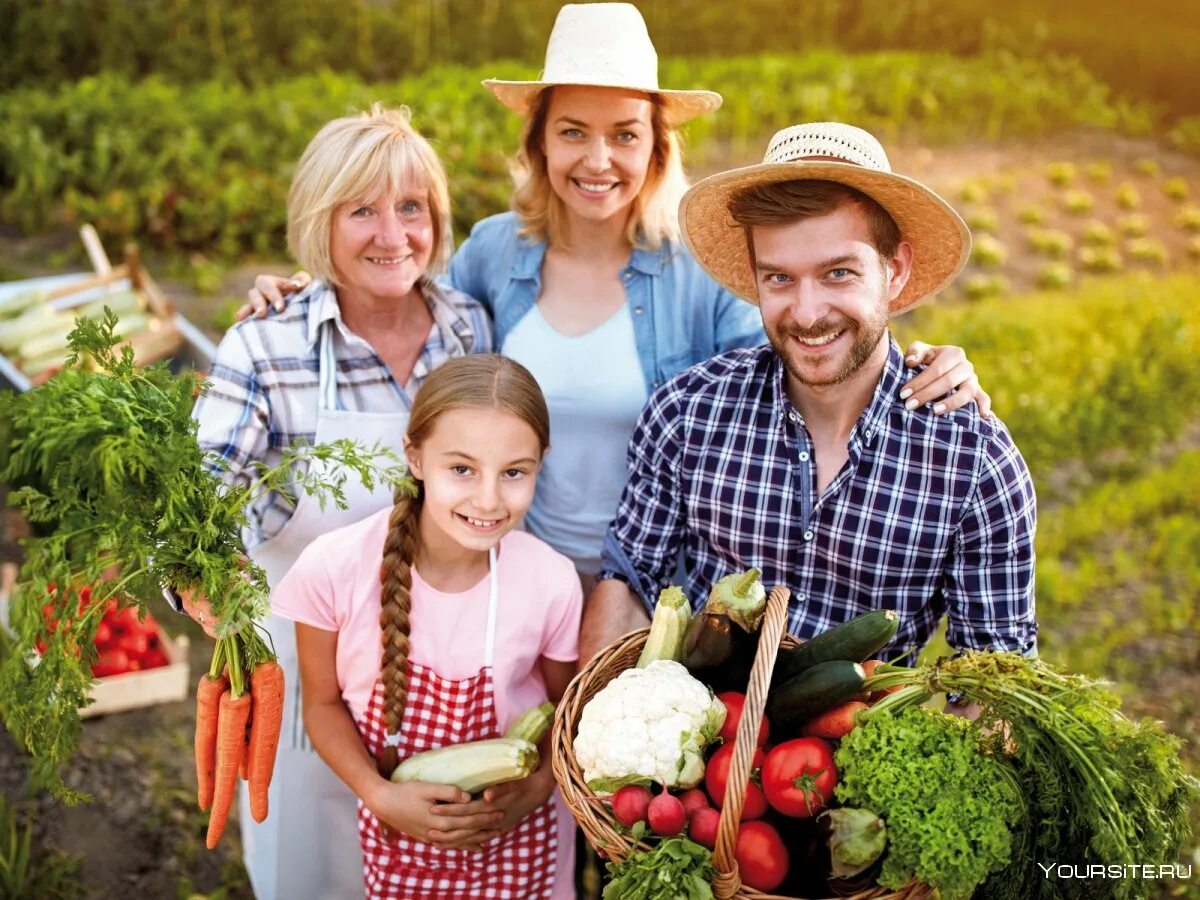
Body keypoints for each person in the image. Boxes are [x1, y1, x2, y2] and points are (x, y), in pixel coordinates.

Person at [239, 3, 991, 594]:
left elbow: (805, 357)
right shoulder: (497, 253)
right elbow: (407, 314)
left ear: (657, 148)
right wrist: (311, 288)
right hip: (506, 569)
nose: (598, 161)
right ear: (538, 144)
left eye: (625, 135)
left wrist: (921, 361)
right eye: (573, 131)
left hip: (654, 585)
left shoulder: (696, 273)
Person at [179, 106, 491, 900]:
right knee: (315, 871)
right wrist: (196, 573)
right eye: (363, 209)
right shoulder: (269, 343)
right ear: (322, 222)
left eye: (411, 206)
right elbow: (197, 495)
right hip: (304, 678)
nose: (394, 234)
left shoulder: (468, 328)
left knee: (440, 865)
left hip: (442, 667)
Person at [584, 122, 1037, 667]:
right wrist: (601, 723)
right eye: (779, 279)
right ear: (754, 277)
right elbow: (630, 581)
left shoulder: (975, 464)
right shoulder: (686, 413)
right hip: (705, 734)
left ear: (894, 271)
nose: (806, 312)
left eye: (838, 273)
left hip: (863, 741)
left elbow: (993, 675)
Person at [271, 354, 581, 899]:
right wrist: (378, 793)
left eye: (514, 472)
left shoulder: (550, 580)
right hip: (398, 831)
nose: (488, 499)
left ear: (540, 463)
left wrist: (533, 791)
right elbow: (320, 706)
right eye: (461, 469)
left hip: (521, 841)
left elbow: (567, 713)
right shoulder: (334, 567)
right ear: (415, 457)